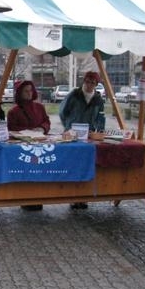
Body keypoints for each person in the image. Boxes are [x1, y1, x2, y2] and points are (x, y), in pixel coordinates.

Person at [59, 71, 105, 210]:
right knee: (72, 165)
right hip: (72, 136)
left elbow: (101, 117)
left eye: (92, 82)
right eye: (87, 81)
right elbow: (62, 112)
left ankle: (84, 196)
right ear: (83, 81)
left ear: (96, 84)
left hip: (89, 137)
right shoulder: (74, 95)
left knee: (86, 165)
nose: (89, 84)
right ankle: (73, 197)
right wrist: (68, 126)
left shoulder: (98, 99)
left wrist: (99, 130)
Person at [7, 80, 51, 211]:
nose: (29, 93)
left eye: (31, 90)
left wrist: (42, 129)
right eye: (26, 91)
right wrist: (27, 132)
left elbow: (47, 121)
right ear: (20, 93)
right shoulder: (13, 111)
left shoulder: (40, 107)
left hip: (41, 145)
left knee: (41, 173)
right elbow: (11, 129)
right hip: (24, 148)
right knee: (27, 174)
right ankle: (26, 198)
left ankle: (38, 198)